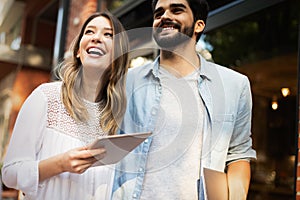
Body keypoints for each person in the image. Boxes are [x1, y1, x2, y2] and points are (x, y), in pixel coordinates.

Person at [112, 0, 256, 199]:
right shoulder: (127, 82)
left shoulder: (234, 85)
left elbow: (238, 155)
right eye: (158, 13)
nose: (164, 17)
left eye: (177, 10)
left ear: (199, 24)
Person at [1, 11, 129, 200]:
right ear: (78, 51)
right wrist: (61, 164)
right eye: (89, 32)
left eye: (108, 34)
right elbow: (9, 174)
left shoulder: (115, 117)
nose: (96, 38)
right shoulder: (46, 97)